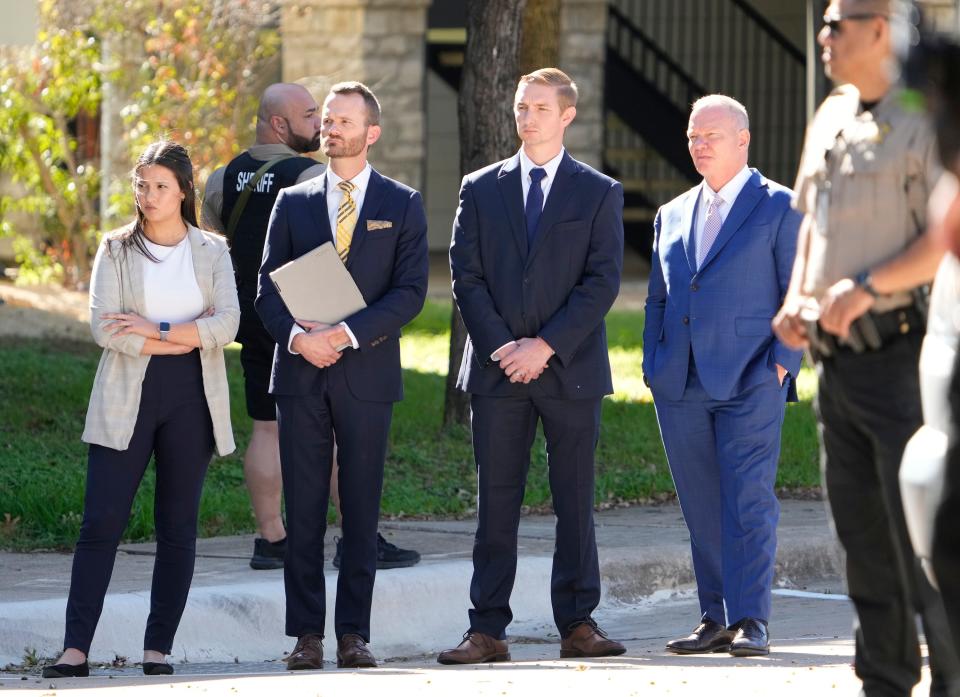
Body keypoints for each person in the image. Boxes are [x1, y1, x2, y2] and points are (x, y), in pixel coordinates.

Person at [772, 2, 960, 694]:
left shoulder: (926, 113)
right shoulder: (831, 113)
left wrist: (866, 285)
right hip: (837, 364)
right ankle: (883, 679)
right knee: (863, 544)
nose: (823, 35)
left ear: (880, 27)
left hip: (901, 356)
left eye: (837, 23)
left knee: (926, 550)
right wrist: (798, 298)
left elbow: (945, 239)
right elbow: (809, 225)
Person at [439, 67, 625, 665]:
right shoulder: (480, 186)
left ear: (566, 115)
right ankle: (487, 629)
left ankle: (578, 624)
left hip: (569, 369)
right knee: (496, 501)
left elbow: (602, 283)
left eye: (540, 108)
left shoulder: (597, 191)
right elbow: (464, 274)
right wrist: (505, 348)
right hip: (498, 371)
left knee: (574, 500)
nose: (527, 117)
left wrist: (543, 346)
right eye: (522, 107)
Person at [203, 83, 420, 572]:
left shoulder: (222, 176)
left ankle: (270, 538)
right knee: (338, 436)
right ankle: (356, 536)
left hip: (258, 315)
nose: (320, 126)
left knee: (264, 426)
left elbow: (215, 236)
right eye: (311, 115)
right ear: (280, 123)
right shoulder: (310, 176)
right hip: (321, 317)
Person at [43, 140, 240, 679]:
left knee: (177, 525)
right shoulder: (115, 248)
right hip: (126, 392)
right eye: (142, 185)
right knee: (100, 520)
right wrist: (184, 337)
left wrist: (155, 329)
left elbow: (228, 325)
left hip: (192, 396)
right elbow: (105, 327)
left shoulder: (213, 251)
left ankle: (158, 648)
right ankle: (74, 649)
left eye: (160, 187)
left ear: (183, 191)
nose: (148, 196)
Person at [256, 81, 428, 670]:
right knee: (303, 510)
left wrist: (344, 335)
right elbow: (265, 290)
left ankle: (354, 634)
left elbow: (410, 293)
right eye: (326, 120)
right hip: (301, 374)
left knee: (360, 510)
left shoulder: (402, 203)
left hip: (366, 374)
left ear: (371, 133)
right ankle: (306, 634)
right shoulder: (293, 202)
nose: (331, 128)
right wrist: (302, 340)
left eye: (343, 121)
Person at [643, 95, 802, 657]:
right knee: (701, 503)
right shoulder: (673, 212)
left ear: (743, 139)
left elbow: (797, 293)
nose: (699, 144)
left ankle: (752, 620)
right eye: (692, 136)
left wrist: (781, 365)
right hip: (678, 383)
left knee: (748, 501)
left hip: (751, 378)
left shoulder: (781, 207)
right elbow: (659, 299)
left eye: (710, 134)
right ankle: (714, 618)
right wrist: (653, 364)